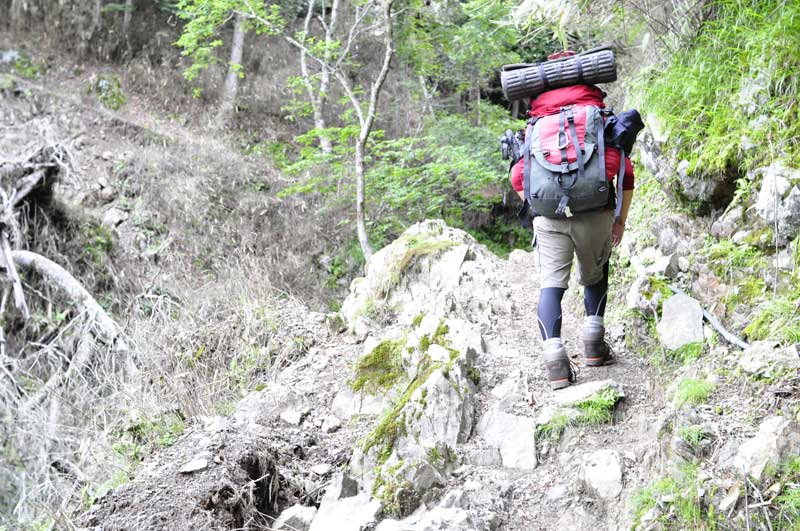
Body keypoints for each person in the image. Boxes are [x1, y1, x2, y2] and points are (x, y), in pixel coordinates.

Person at [509, 55, 635, 390]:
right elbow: (623, 172)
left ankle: (556, 365)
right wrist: (619, 221)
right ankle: (594, 346)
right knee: (595, 274)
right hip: (596, 213)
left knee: (551, 286)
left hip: (550, 219)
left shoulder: (537, 126)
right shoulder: (594, 120)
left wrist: (538, 207)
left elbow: (518, 177)